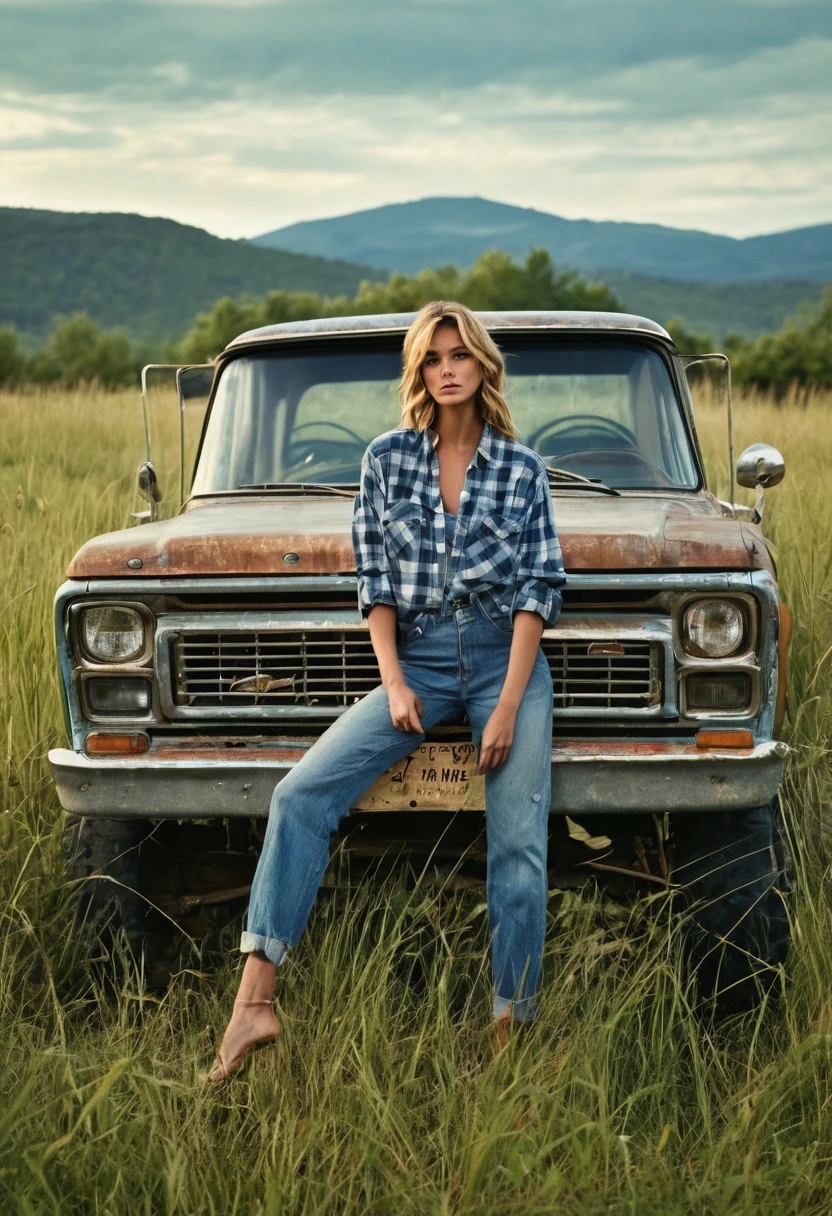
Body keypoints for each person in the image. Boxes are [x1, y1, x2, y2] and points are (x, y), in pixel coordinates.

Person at [207, 301, 566, 1080]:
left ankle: (510, 1029)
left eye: (459, 354)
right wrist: (395, 680)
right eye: (433, 356)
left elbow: (540, 586)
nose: (446, 367)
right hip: (422, 659)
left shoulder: (521, 468)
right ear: (418, 370)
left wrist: (505, 706)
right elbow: (372, 580)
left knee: (516, 848)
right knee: (301, 794)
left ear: (482, 367)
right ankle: (255, 1003)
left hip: (508, 660)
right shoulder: (387, 460)